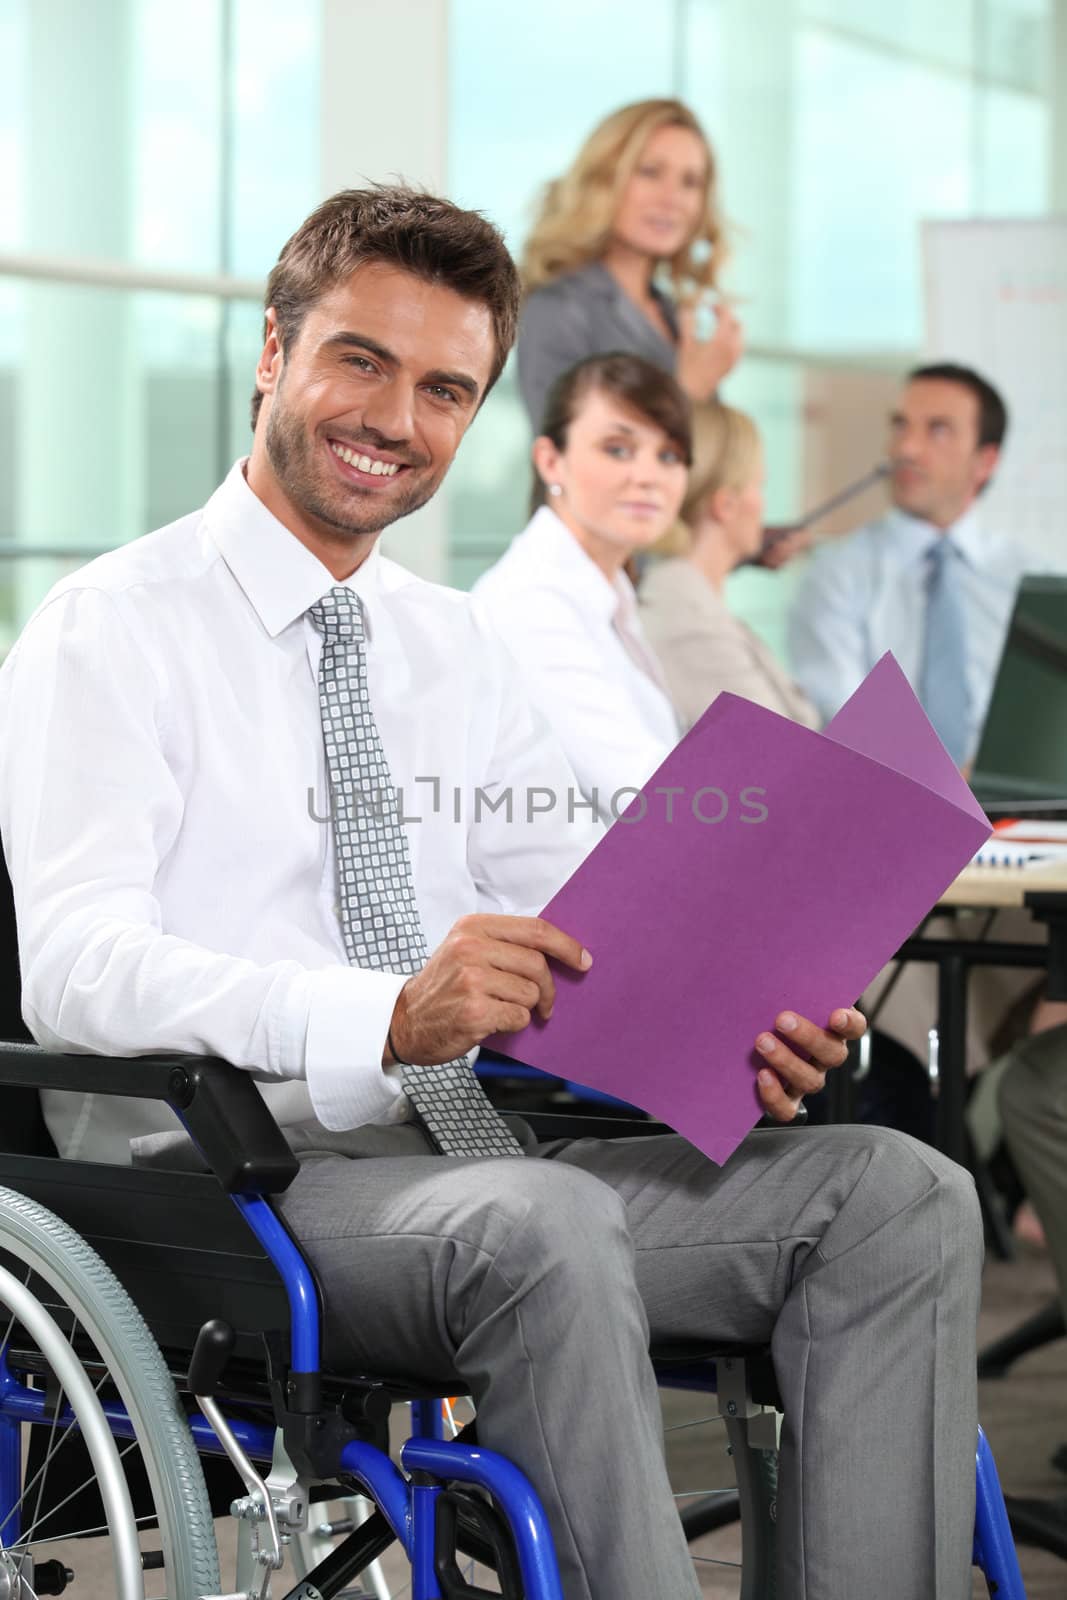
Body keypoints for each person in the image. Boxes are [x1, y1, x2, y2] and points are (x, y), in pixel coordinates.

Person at [0, 186, 983, 1600]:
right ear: (273, 351)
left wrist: (738, 1019)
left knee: (897, 1193)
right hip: (226, 1186)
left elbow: (595, 920)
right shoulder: (112, 628)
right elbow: (82, 967)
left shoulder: (452, 649)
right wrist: (382, 1016)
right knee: (542, 1222)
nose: (395, 417)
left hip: (478, 1165)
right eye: (360, 360)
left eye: (444, 388)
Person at [472, 353, 685, 823]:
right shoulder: (530, 602)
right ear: (551, 461)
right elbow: (648, 793)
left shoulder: (608, 593)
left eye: (669, 455)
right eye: (618, 449)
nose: (648, 477)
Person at [788, 363, 1024, 768]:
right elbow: (842, 717)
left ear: (985, 463)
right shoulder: (837, 574)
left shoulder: (1028, 579)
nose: (905, 449)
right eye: (900, 426)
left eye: (938, 430)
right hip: (885, 805)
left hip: (1023, 816)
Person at [516, 98, 742, 433]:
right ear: (604, 180)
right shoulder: (558, 308)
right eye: (650, 172)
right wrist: (691, 388)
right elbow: (564, 452)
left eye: (690, 182)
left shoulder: (670, 314)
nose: (672, 199)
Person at [639, 400, 821, 731]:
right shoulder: (688, 625)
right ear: (725, 504)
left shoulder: (691, 604)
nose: (763, 505)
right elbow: (784, 760)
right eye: (759, 486)